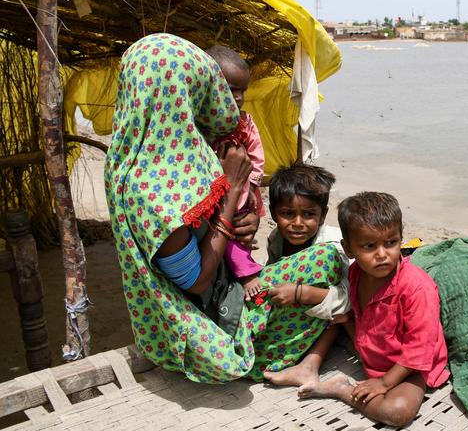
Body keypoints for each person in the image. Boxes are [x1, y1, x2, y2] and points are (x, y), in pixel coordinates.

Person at [105, 33, 342, 384]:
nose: (217, 99)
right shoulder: (150, 189)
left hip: (224, 291)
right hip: (209, 315)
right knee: (327, 260)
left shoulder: (169, 155)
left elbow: (213, 219)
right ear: (177, 92)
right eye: (204, 87)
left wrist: (239, 217)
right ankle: (268, 357)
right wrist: (230, 195)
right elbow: (198, 281)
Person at [299, 192, 449, 427]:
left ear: (401, 238)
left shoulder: (416, 288)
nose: (382, 254)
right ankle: (308, 365)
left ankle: (340, 389)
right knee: (332, 318)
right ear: (348, 249)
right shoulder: (355, 272)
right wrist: (347, 319)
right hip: (375, 350)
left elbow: (420, 349)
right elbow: (368, 316)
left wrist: (385, 383)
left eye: (391, 243)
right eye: (369, 246)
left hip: (410, 366)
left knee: (397, 412)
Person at [261, 163, 352, 387]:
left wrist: (301, 293)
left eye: (309, 214)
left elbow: (349, 299)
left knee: (339, 317)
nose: (298, 224)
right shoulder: (276, 240)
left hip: (340, 313)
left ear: (322, 215)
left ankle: (310, 365)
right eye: (288, 214)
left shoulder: (331, 248)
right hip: (305, 309)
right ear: (274, 213)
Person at [204, 45, 267, 300]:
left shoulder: (244, 122)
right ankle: (247, 275)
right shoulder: (201, 130)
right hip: (217, 197)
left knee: (241, 235)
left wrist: (251, 185)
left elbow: (256, 155)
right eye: (231, 90)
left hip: (243, 193)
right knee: (226, 235)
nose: (238, 97)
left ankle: (245, 270)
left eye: (243, 90)